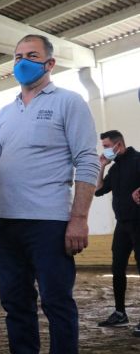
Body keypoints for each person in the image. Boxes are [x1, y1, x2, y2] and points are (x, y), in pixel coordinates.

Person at [0, 34, 100, 353]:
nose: (22, 62)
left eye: (31, 56)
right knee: (15, 304)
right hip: (8, 225)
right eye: (17, 56)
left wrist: (79, 218)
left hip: (50, 224)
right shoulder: (5, 113)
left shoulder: (69, 101)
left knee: (57, 303)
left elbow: (87, 159)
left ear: (50, 63)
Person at [94, 130, 140, 334]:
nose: (104, 149)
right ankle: (120, 314)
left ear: (118, 145)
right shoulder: (115, 168)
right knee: (117, 269)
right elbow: (98, 189)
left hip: (139, 223)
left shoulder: (138, 160)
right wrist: (102, 166)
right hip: (122, 225)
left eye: (106, 145)